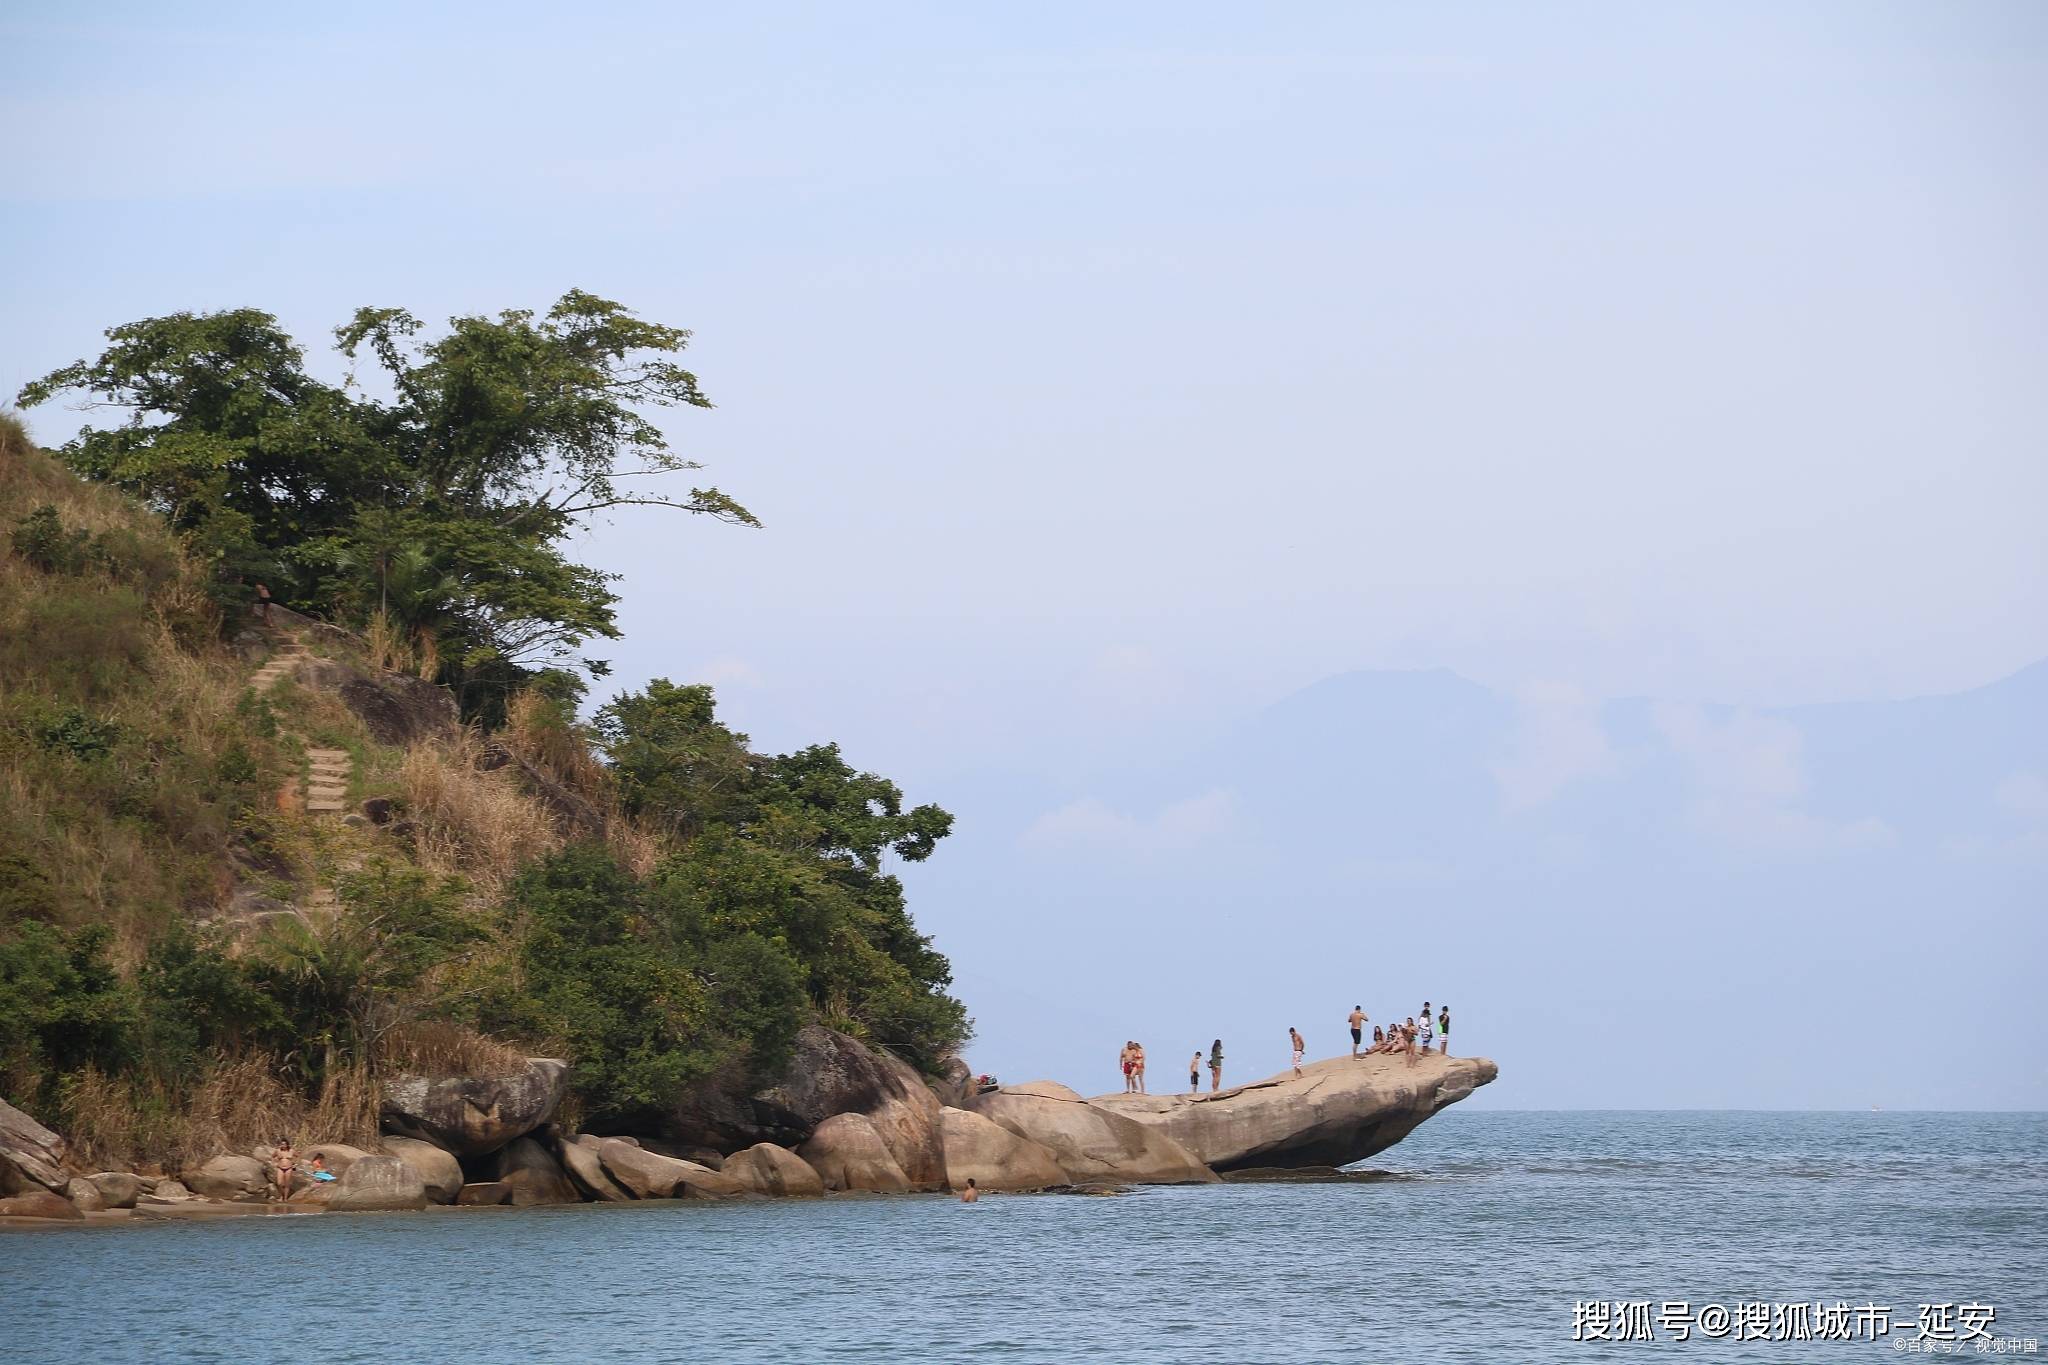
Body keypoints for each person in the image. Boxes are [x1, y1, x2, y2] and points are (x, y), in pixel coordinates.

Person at [271, 1136, 296, 1201]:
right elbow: (272, 1157)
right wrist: (274, 1163)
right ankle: (281, 1195)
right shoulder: (278, 1151)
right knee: (279, 1183)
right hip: (280, 1168)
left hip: (289, 1168)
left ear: (287, 1145)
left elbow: (299, 1156)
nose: (283, 1145)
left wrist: (295, 1164)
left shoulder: (291, 1151)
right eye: (281, 1144)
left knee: (287, 1184)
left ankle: (285, 1198)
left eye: (284, 1144)